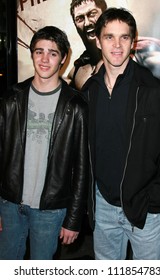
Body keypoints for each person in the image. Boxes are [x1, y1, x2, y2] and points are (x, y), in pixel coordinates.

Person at [82, 8, 160, 260]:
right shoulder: (89, 93)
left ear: (133, 42)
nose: (117, 44)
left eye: (124, 37)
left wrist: (154, 201)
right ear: (98, 40)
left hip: (145, 212)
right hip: (103, 209)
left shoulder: (155, 92)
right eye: (109, 37)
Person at [0, 26, 89, 260]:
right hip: (9, 205)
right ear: (32, 54)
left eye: (52, 52)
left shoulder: (76, 106)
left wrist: (73, 218)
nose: (45, 59)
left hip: (50, 209)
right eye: (39, 51)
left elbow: (81, 169)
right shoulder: (11, 99)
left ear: (63, 58)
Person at [68, 0, 160, 92]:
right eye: (80, 18)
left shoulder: (139, 54)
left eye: (92, 14)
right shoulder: (78, 70)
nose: (87, 23)